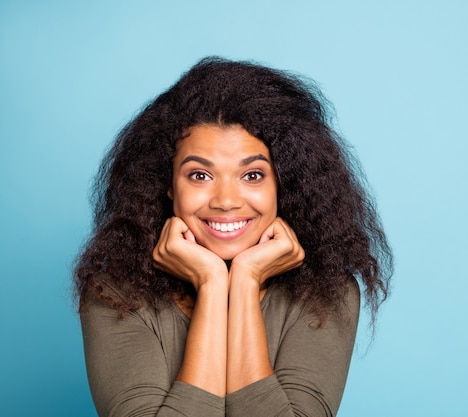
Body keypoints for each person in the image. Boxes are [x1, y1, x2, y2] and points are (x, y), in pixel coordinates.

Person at [74, 56, 393, 417]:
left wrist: (244, 281)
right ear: (167, 185)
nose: (226, 201)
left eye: (253, 176)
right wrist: (212, 284)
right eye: (199, 176)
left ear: (285, 184)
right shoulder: (114, 294)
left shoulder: (325, 294)